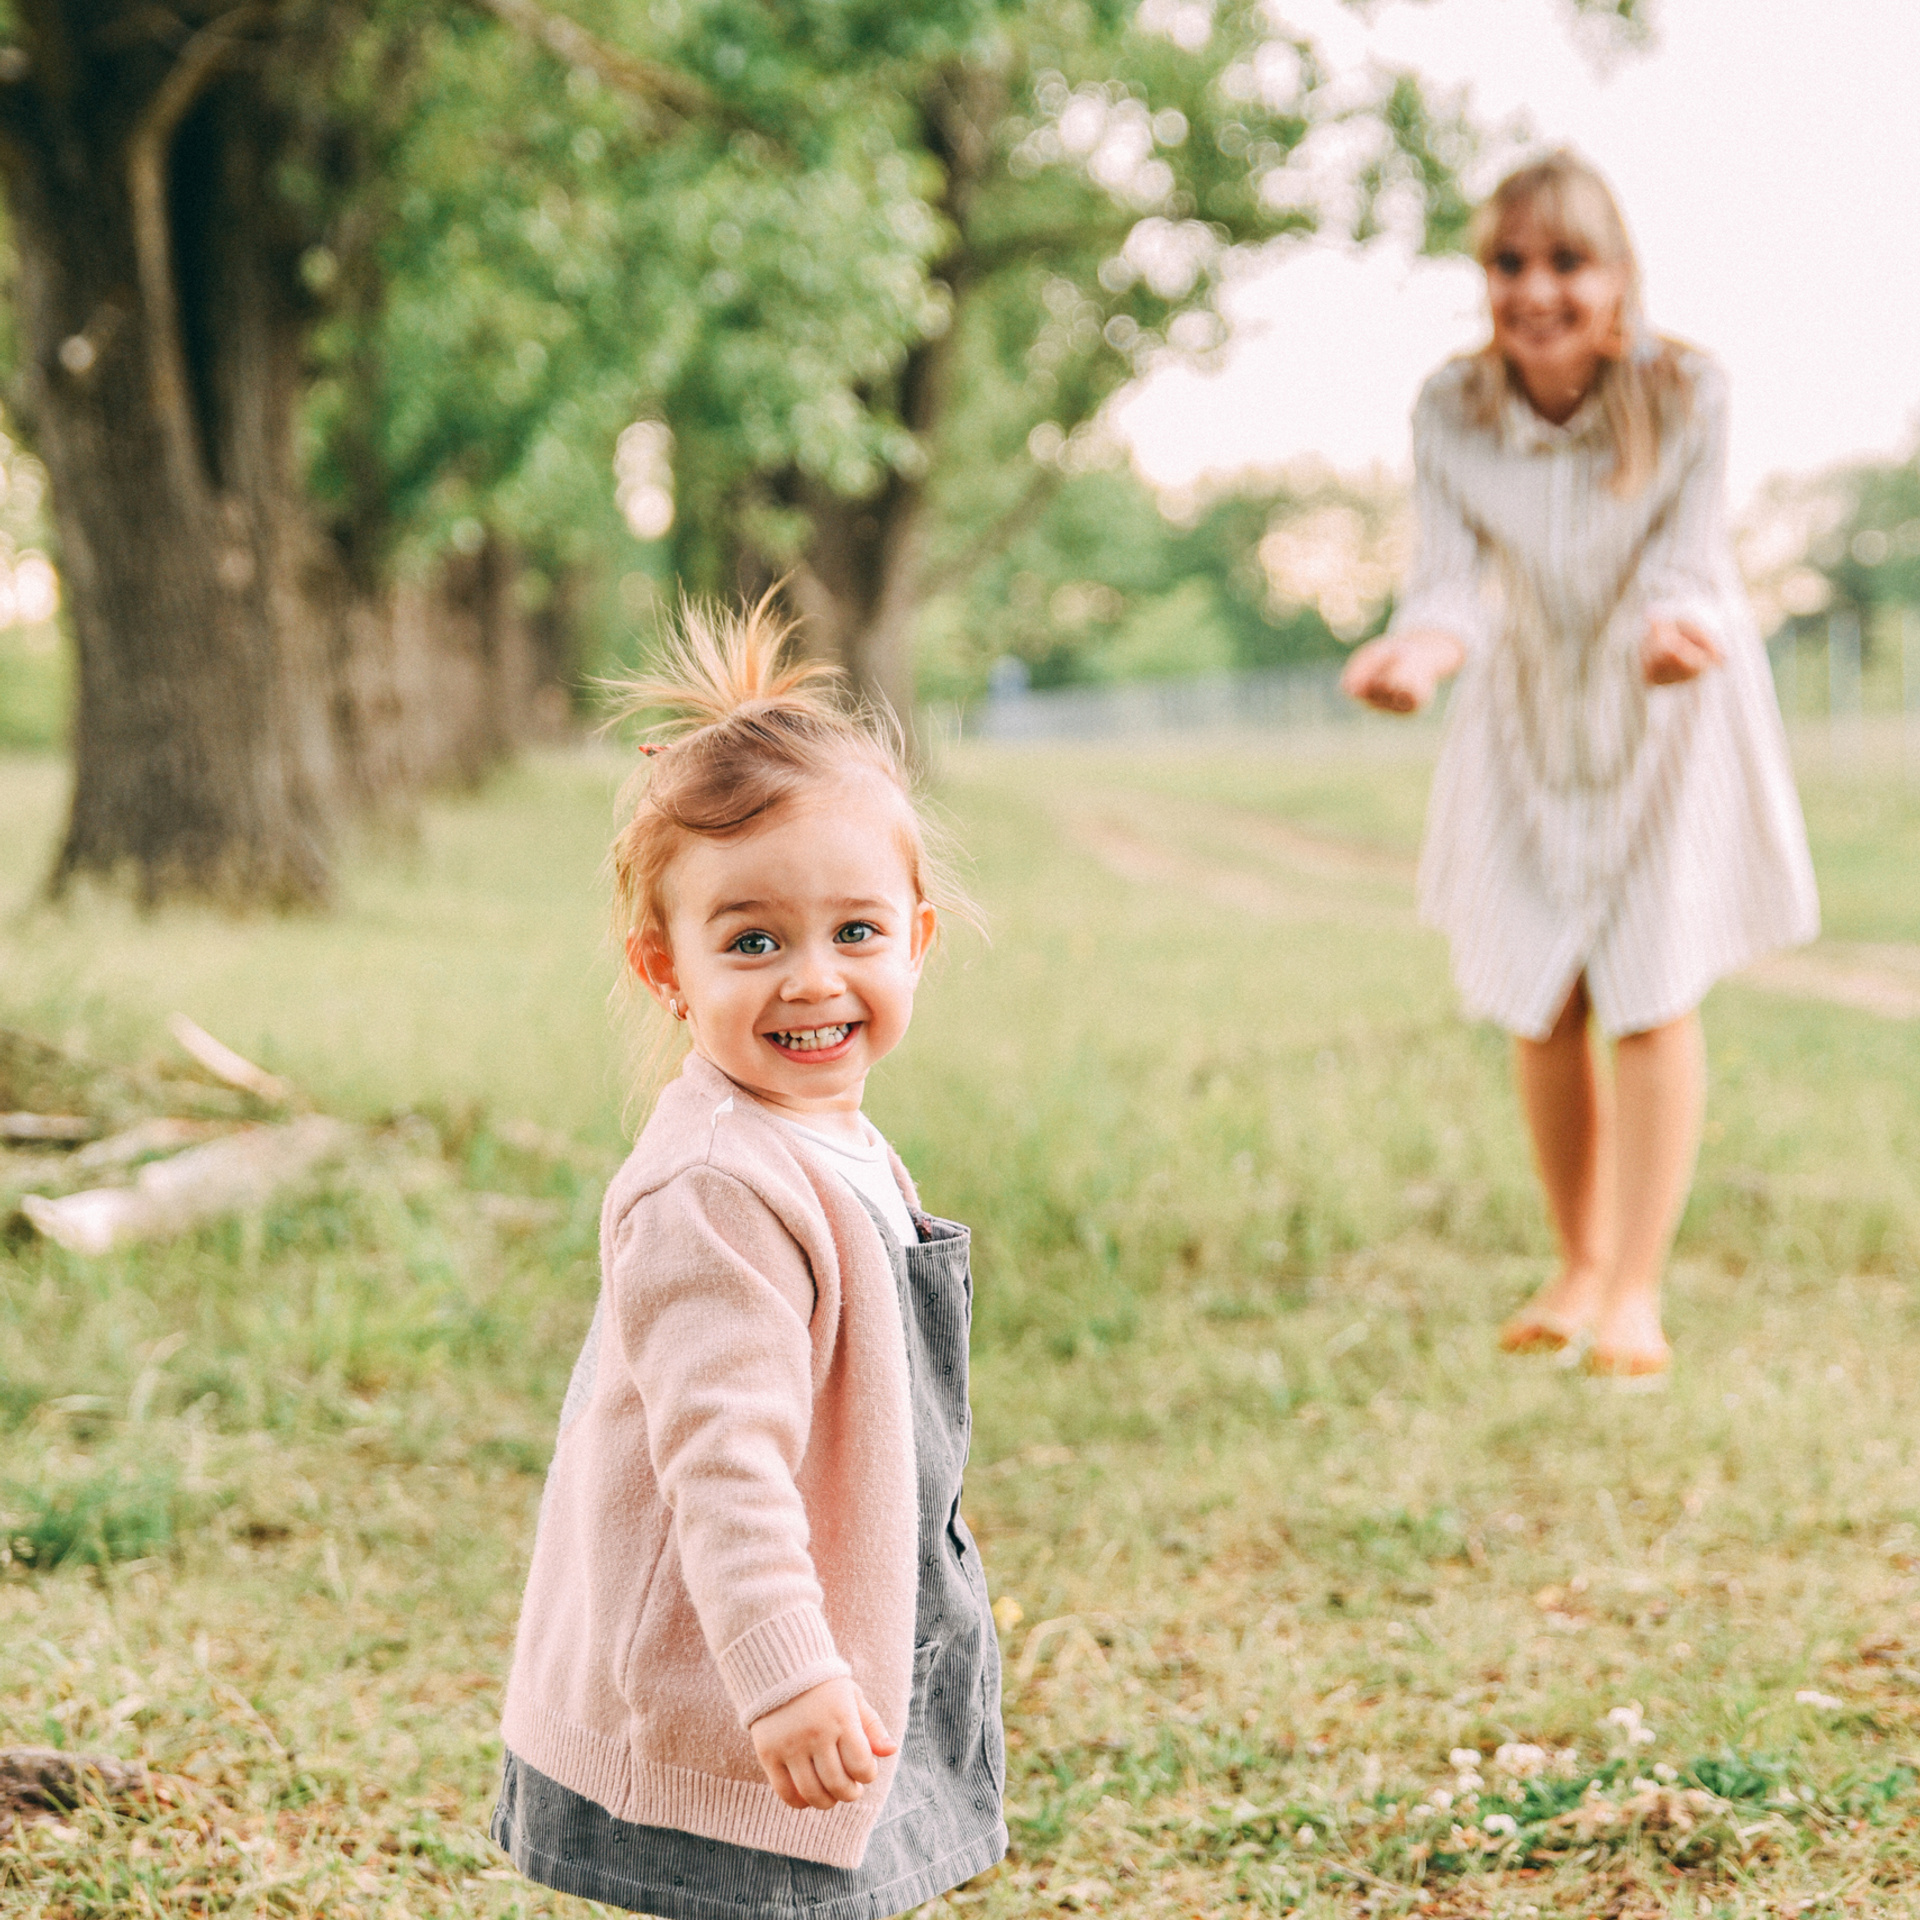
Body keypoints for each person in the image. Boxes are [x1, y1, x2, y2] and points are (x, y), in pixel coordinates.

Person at [489, 598, 1005, 1915]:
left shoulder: (835, 1139)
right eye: (753, 940)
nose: (813, 978)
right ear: (666, 967)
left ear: (918, 939)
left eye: (857, 933)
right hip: (739, 1691)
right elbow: (724, 1457)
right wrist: (782, 1670)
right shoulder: (714, 1186)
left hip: (835, 1643)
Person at [1341, 151, 1817, 1378]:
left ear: (1617, 277)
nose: (1536, 289)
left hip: (1674, 699)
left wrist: (1672, 634)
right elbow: (1448, 583)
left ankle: (1640, 1290)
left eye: (1567, 260)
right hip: (1531, 711)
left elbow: (1689, 561)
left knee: (1652, 987)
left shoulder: (1686, 389)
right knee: (1540, 988)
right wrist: (1416, 656)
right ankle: (1578, 1260)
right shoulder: (1450, 408)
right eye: (1509, 262)